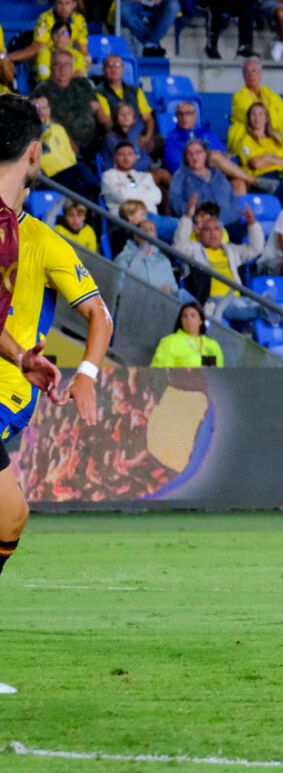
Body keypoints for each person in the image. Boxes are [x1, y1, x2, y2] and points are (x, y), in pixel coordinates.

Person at [0, 91, 114, 639]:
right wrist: (86, 377)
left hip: (11, 391)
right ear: (32, 154)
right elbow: (102, 318)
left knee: (10, 516)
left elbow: (100, 317)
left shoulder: (33, 237)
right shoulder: (29, 237)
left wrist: (24, 356)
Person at [152, 302, 223, 368]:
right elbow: (160, 372)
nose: (188, 319)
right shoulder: (169, 342)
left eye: (193, 316)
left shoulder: (213, 345)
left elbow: (217, 372)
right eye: (184, 316)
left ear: (201, 321)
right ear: (181, 321)